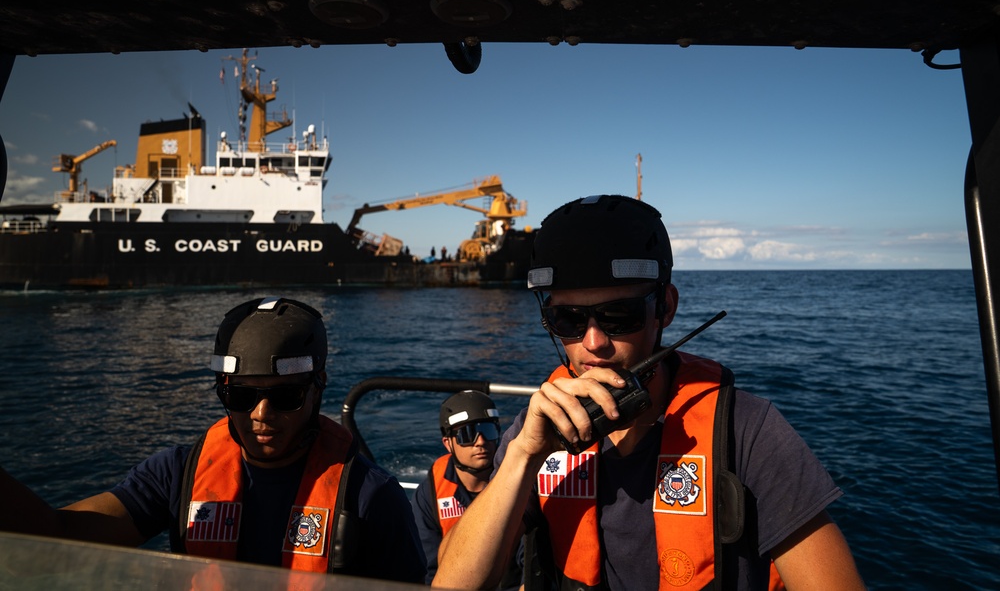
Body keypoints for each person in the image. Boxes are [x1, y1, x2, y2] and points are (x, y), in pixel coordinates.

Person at [433, 195, 865, 590]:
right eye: (567, 319)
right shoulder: (537, 430)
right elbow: (452, 583)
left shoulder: (745, 431)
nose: (593, 342)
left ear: (666, 308)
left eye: (619, 315)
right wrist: (524, 455)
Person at [0, 296, 426, 583]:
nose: (261, 414)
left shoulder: (371, 496)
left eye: (285, 396)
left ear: (319, 388)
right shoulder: (174, 474)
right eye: (240, 395)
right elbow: (59, 531)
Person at [412, 391, 520, 587]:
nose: (480, 442)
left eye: (488, 431)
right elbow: (427, 568)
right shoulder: (430, 493)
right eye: (466, 434)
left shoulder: (519, 483)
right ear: (448, 443)